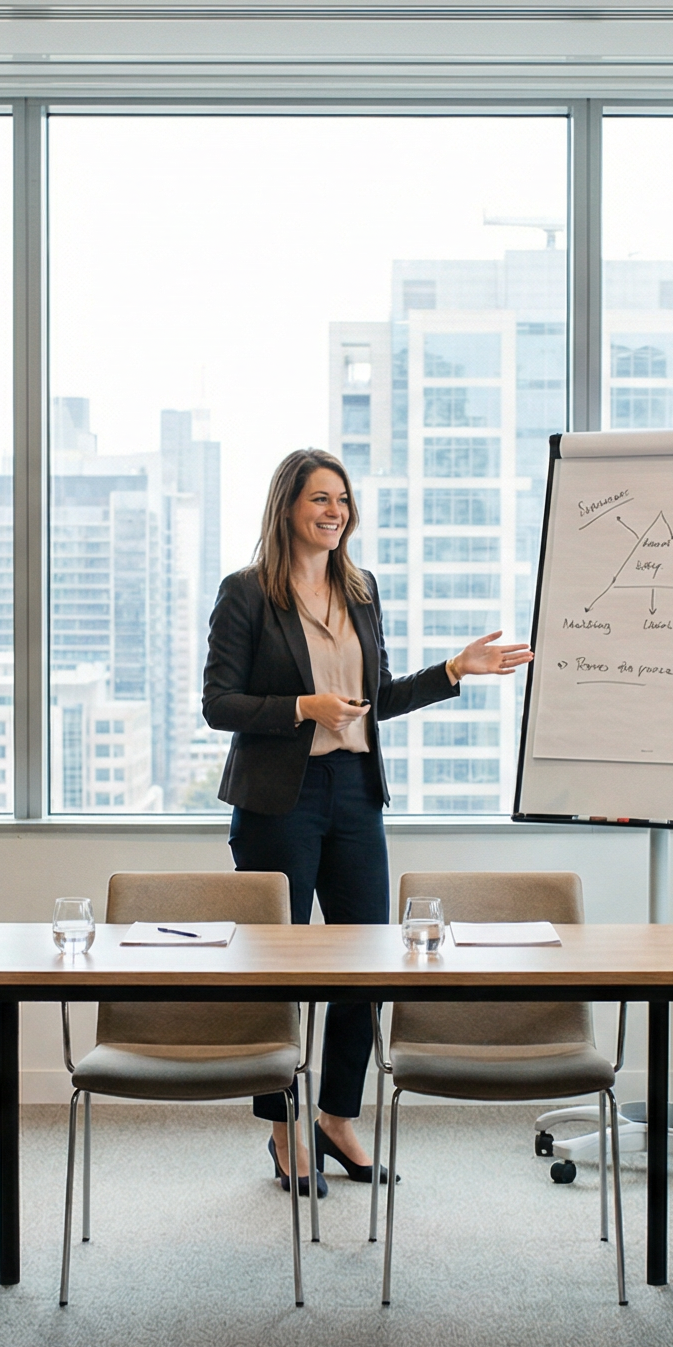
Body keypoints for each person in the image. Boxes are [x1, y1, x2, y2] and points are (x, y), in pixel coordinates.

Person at [204, 448, 533, 1189]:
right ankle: (285, 1128)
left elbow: (374, 696)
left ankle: (336, 1118)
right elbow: (217, 703)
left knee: (367, 962)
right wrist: (301, 708)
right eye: (321, 499)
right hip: (277, 803)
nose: (335, 512)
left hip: (354, 792)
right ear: (288, 505)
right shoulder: (247, 594)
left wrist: (453, 672)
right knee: (276, 971)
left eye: (343, 501)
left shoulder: (361, 589)